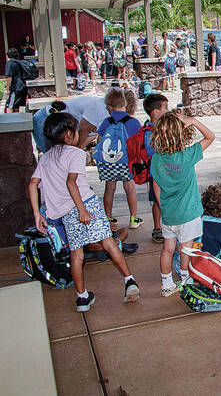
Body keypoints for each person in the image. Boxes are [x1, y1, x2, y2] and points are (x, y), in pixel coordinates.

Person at [29, 111, 139, 312]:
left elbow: (33, 184)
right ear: (69, 135)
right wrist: (82, 210)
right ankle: (129, 281)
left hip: (65, 213)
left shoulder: (45, 158)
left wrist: (37, 215)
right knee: (108, 241)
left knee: (76, 254)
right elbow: (72, 183)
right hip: (85, 205)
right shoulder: (76, 154)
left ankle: (82, 298)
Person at [150, 111, 215, 296]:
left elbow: (156, 185)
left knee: (168, 249)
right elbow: (210, 136)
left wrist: (163, 207)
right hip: (188, 214)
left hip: (169, 213)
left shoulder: (156, 159)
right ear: (180, 134)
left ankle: (166, 283)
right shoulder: (188, 155)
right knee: (185, 249)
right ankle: (186, 281)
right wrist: (193, 121)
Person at [96, 89, 143, 230]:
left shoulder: (106, 121)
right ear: (126, 104)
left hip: (108, 163)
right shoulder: (133, 122)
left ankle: (109, 218)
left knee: (110, 187)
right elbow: (139, 143)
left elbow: (99, 140)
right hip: (126, 162)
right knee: (129, 187)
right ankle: (134, 218)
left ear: (110, 107)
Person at [32, 95, 110, 153]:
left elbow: (95, 136)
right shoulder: (99, 109)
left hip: (57, 125)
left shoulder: (108, 114)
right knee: (52, 160)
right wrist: (74, 153)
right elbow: (83, 131)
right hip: (46, 120)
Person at [143, 93, 169, 243]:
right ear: (155, 112)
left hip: (168, 172)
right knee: (157, 201)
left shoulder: (164, 127)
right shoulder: (149, 131)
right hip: (157, 175)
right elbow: (151, 152)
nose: (168, 110)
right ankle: (157, 227)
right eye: (165, 107)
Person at [4, 48, 28, 113]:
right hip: (23, 86)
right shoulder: (19, 62)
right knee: (17, 105)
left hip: (15, 88)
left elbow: (9, 77)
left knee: (10, 105)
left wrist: (8, 89)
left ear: (8, 55)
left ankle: (10, 121)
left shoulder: (10, 63)